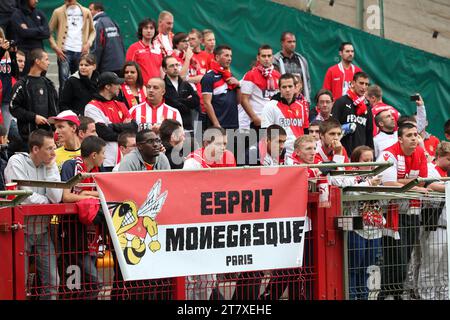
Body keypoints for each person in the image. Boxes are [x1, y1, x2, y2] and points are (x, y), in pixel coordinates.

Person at [4, 129, 63, 300]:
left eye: (54, 147)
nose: (54, 152)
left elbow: (56, 197)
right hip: (19, 231)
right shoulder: (16, 161)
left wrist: (52, 167)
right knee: (19, 283)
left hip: (43, 231)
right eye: (49, 148)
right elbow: (23, 197)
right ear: (36, 149)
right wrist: (47, 200)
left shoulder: (50, 164)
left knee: (53, 281)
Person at [376, 122, 429, 300]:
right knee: (394, 259)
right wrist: (412, 185)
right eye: (409, 135)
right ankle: (385, 294)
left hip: (413, 213)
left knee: (405, 259)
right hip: (391, 213)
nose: (414, 138)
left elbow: (422, 182)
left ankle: (396, 294)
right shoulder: (388, 153)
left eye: (416, 134)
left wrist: (406, 183)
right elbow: (389, 184)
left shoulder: (420, 152)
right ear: (400, 139)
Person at [59, 135, 106, 299]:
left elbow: (104, 193)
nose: (105, 157)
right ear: (94, 155)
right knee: (91, 283)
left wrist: (86, 193)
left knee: (83, 284)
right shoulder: (71, 165)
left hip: (92, 233)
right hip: (73, 231)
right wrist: (87, 196)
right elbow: (66, 196)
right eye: (103, 153)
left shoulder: (99, 170)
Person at [417, 141, 450, 300]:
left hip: (448, 227)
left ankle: (443, 297)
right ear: (438, 157)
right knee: (429, 268)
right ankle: (426, 297)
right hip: (434, 227)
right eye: (449, 159)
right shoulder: (431, 168)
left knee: (446, 271)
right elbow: (430, 184)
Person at [84, 71, 137, 171]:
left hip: (125, 159)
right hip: (107, 160)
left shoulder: (120, 104)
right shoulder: (92, 106)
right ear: (107, 86)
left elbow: (134, 128)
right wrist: (124, 129)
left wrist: (112, 126)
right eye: (117, 84)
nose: (120, 87)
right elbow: (103, 133)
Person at [10, 48, 58, 151]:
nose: (49, 63)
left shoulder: (48, 83)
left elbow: (54, 107)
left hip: (47, 137)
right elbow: (13, 108)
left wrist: (54, 128)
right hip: (28, 138)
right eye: (46, 59)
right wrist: (34, 117)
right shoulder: (22, 84)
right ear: (37, 61)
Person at [48, 0, 96, 91]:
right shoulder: (58, 11)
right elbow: (49, 32)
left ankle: (79, 104)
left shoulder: (86, 11)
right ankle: (63, 105)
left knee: (81, 81)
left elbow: (92, 31)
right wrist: (56, 47)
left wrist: (88, 44)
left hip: (81, 53)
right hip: (64, 52)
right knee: (64, 83)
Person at [261, 73, 309, 157]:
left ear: (295, 88)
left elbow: (305, 132)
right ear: (279, 89)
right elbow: (265, 134)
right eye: (284, 87)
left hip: (299, 154)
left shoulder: (301, 106)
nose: (287, 90)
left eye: (290, 86)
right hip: (280, 154)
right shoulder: (270, 106)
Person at [238, 44, 280, 132]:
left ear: (272, 57)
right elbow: (243, 100)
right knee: (258, 146)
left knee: (274, 146)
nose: (266, 58)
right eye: (263, 56)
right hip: (258, 121)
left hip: (274, 121)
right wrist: (254, 118)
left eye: (269, 56)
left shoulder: (277, 75)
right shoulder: (250, 75)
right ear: (258, 57)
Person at [332, 71, 373, 155]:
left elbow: (369, 134)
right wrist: (343, 129)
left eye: (366, 84)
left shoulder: (367, 106)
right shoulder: (341, 102)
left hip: (361, 154)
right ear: (353, 83)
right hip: (342, 151)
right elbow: (331, 127)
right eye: (361, 83)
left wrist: (372, 156)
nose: (364, 87)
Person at [201, 45, 240, 130]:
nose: (229, 58)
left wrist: (239, 86)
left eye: (230, 56)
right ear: (217, 57)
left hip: (233, 124)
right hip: (218, 126)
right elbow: (207, 103)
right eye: (226, 55)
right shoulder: (209, 77)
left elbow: (238, 101)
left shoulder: (230, 76)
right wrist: (216, 124)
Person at [10, 0, 50, 75]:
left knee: (40, 79)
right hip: (24, 54)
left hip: (39, 55)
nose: (36, 1)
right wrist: (40, 29)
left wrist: (29, 30)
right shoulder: (17, 15)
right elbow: (23, 33)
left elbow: (47, 33)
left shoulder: (40, 14)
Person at [163, 56, 199, 133]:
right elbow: (170, 104)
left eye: (177, 65)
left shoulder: (185, 84)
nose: (175, 68)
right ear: (164, 69)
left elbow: (196, 101)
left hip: (187, 127)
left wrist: (179, 101)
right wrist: (187, 101)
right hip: (170, 129)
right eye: (172, 66)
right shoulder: (162, 85)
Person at [273, 32, 311, 102]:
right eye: (289, 42)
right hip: (282, 102)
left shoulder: (302, 60)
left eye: (294, 42)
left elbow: (307, 81)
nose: (292, 44)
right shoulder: (275, 60)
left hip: (300, 101)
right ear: (282, 43)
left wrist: (307, 99)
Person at [89, 2, 125, 74]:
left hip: (106, 67)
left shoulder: (97, 23)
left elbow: (97, 47)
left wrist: (94, 66)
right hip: (120, 64)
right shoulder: (112, 21)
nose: (89, 12)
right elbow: (121, 42)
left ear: (98, 10)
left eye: (90, 10)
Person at [125, 18, 162, 85]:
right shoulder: (133, 48)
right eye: (146, 28)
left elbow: (161, 69)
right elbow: (128, 71)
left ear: (155, 31)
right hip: (141, 88)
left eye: (151, 28)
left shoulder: (158, 49)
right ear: (141, 30)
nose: (149, 31)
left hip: (157, 88)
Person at [0, 27, 20, 137]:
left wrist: (12, 54)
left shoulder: (6, 53)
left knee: (5, 134)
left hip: (6, 93)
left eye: (2, 40)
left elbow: (15, 74)